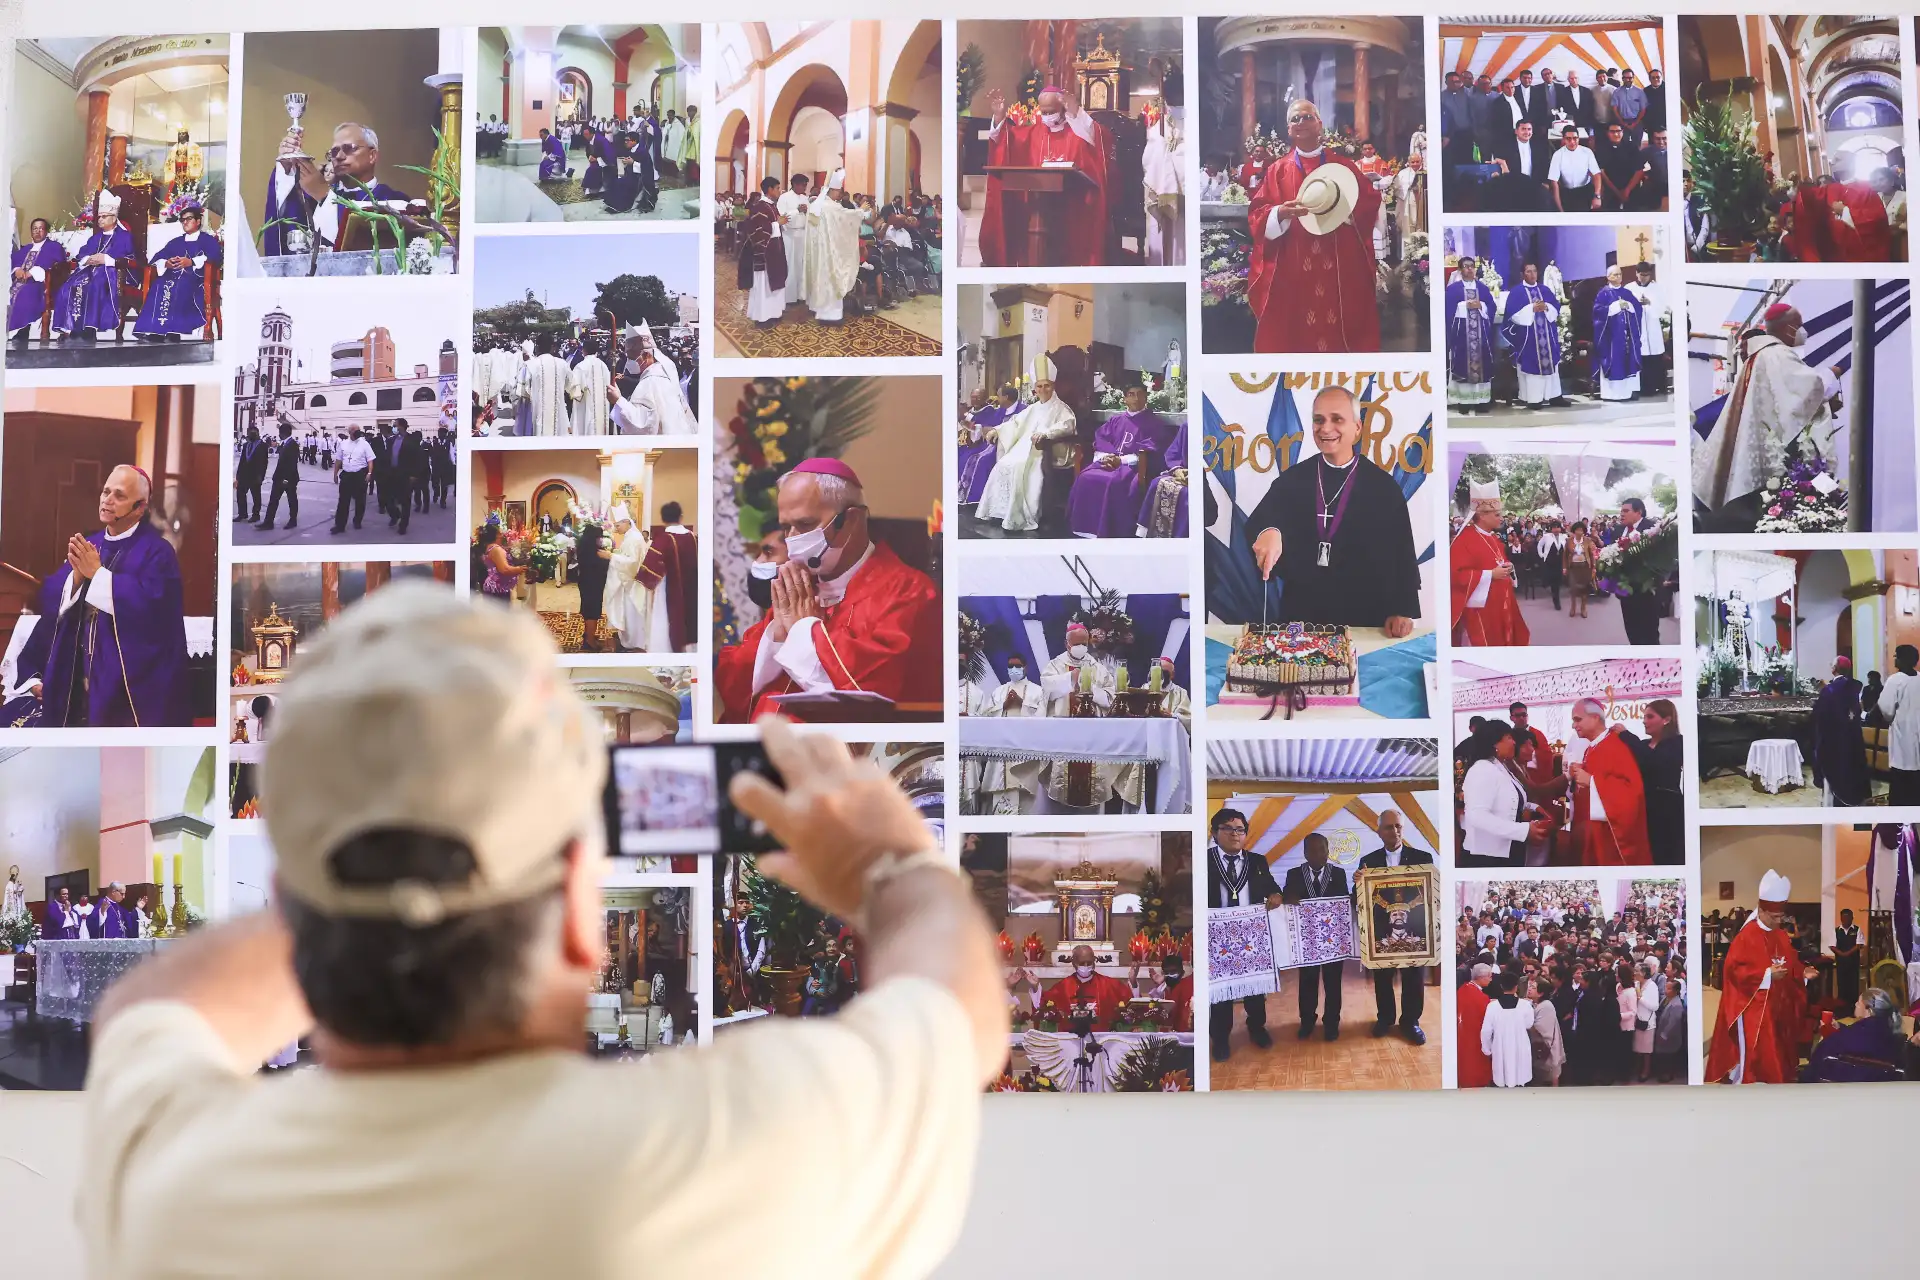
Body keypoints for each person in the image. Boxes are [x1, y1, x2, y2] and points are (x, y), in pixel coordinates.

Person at [77, 584, 1003, 1275]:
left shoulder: (176, 1183)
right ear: (577, 917)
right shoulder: (721, 1156)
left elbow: (153, 1009)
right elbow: (957, 1016)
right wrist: (891, 862)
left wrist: (361, 868)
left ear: (290, 900)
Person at [714, 459, 940, 722]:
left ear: (851, 520)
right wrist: (776, 637)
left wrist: (802, 629)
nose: (793, 539)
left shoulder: (907, 591)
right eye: (786, 527)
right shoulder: (799, 590)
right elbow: (734, 682)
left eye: (805, 524)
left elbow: (871, 688)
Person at [4, 465, 190, 728]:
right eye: (105, 492)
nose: (107, 500)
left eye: (119, 495)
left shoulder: (157, 552)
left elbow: (153, 610)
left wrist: (98, 575)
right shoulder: (91, 545)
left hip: (125, 692)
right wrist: (76, 580)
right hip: (78, 684)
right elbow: (52, 599)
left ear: (140, 508)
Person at [1246, 385, 1420, 635]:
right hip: (1302, 616)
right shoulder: (1293, 480)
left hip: (1366, 616)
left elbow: (1401, 549)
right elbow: (1261, 522)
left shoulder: (1382, 487)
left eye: (1337, 419)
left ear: (1357, 428)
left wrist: (1403, 608)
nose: (1326, 428)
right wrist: (1269, 530)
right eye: (1319, 420)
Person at [1245, 100, 1381, 353]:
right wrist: (1279, 213)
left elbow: (1369, 201)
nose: (1301, 122)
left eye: (1307, 117)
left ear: (1319, 124)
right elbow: (1257, 213)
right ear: (1289, 129)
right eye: (1295, 119)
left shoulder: (1343, 166)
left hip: (1336, 259)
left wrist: (1347, 211)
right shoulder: (1277, 170)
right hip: (1294, 260)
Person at [1694, 302, 1842, 532]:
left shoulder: (1759, 355)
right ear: (1787, 328)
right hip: (1773, 446)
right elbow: (1807, 390)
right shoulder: (1777, 353)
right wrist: (1831, 374)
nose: (1803, 331)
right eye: (1799, 325)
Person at [978, 85, 1109, 267]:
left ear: (1063, 107)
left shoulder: (1078, 129)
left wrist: (1076, 112)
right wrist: (999, 116)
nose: (1047, 116)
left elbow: (1097, 137)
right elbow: (1007, 139)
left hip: (1073, 206)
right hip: (1038, 203)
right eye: (1043, 112)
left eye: (1051, 111)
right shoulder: (1034, 132)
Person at [1707, 870, 1814, 1084]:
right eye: (1774, 917)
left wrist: (1802, 973)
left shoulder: (1780, 934)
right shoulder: (1746, 936)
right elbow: (1734, 971)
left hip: (1777, 1005)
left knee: (1777, 1051)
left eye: (1781, 917)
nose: (1779, 921)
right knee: (1758, 1052)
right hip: (1753, 1008)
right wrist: (1766, 975)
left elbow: (1790, 962)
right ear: (1762, 911)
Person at [263, 122, 412, 257]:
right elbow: (285, 228)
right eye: (334, 151)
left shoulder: (393, 201)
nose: (339, 156)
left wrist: (325, 196)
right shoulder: (311, 199)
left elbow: (371, 254)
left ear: (372, 156)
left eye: (349, 148)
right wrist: (286, 168)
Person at [1206, 808, 1282, 1062]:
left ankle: (1257, 1028)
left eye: (1240, 829)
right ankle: (1220, 1038)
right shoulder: (1203, 860)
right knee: (1221, 991)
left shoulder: (1257, 861)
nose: (1235, 834)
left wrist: (1276, 895)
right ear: (1214, 833)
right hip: (1217, 938)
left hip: (1251, 936)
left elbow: (1272, 887)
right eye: (1228, 828)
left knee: (1254, 988)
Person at [976, 355, 1078, 535]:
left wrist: (1046, 434)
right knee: (1003, 464)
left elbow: (1067, 425)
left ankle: (1018, 514)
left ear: (1053, 386)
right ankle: (1000, 511)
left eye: (1047, 385)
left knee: (1019, 467)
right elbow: (1015, 423)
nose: (1043, 389)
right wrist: (997, 431)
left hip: (1044, 450)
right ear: (1035, 389)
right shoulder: (1033, 408)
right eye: (1039, 386)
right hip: (1023, 448)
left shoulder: (1062, 408)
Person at [1355, 810, 1432, 1045]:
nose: (1395, 831)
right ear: (1379, 831)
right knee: (1382, 977)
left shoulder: (1423, 858)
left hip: (1415, 929)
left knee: (1413, 978)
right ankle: (1385, 1019)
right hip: (1382, 930)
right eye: (1389, 827)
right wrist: (1357, 883)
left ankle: (1411, 1022)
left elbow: (1431, 894)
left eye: (1398, 826)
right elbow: (1358, 899)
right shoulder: (1368, 862)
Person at [1066, 380, 1175, 538]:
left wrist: (1121, 460)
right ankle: (1082, 527)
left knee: (1114, 482)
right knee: (1085, 477)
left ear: (1146, 397)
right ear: (1125, 399)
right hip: (1109, 462)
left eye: (1140, 394)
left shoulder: (1154, 423)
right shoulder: (1116, 420)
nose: (1136, 398)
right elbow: (1101, 439)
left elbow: (1152, 448)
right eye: (1131, 394)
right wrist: (1107, 457)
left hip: (1133, 467)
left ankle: (1110, 530)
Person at [1281, 833, 1348, 1041]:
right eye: (1312, 850)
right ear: (1304, 853)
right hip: (1307, 941)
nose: (1317, 854)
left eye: (1322, 849)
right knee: (1307, 982)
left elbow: (1344, 901)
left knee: (1333, 983)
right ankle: (1307, 1021)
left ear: (1328, 852)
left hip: (1332, 941)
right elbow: (1286, 896)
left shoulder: (1338, 873)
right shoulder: (1294, 874)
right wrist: (1289, 897)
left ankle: (1332, 1023)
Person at [1567, 698, 1651, 865]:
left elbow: (1632, 791)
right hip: (1592, 829)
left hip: (1609, 836)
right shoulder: (1592, 746)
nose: (1574, 725)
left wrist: (1591, 781)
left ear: (1595, 718)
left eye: (1578, 719)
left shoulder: (1616, 746)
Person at [1461, 721, 1552, 868]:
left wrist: (1533, 807)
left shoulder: (1500, 766)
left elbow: (1507, 798)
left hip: (1507, 849)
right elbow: (1477, 816)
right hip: (1488, 856)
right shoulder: (1482, 769)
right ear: (1495, 743)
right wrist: (1523, 830)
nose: (1514, 742)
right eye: (1509, 737)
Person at [1449, 481, 1529, 646]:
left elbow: (1499, 560)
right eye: (1497, 515)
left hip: (1502, 601)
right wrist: (1490, 575)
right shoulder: (1464, 540)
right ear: (1482, 515)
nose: (1501, 518)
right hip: (1481, 608)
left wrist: (1509, 567)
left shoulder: (1493, 537)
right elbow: (1456, 575)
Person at [131, 199, 220, 342]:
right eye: (182, 220)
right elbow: (157, 258)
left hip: (195, 280)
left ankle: (173, 332)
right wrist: (166, 263)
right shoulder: (175, 242)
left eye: (189, 219)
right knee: (159, 284)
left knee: (180, 286)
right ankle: (155, 331)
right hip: (171, 276)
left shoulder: (207, 240)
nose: (185, 222)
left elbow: (215, 257)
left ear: (198, 221)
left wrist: (191, 262)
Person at [52, 190, 132, 341]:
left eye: (104, 217)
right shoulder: (95, 238)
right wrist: (88, 259)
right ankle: (73, 326)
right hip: (89, 271)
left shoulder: (125, 236)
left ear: (114, 217)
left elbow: (129, 258)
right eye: (99, 217)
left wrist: (106, 259)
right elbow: (82, 254)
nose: (100, 220)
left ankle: (90, 328)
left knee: (97, 283)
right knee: (68, 286)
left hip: (110, 272)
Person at [1500, 262, 1567, 408]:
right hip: (1528, 339)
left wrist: (1547, 307)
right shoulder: (1517, 292)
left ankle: (1555, 396)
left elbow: (1555, 308)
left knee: (1552, 365)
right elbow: (1512, 316)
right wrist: (1532, 308)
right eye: (1528, 271)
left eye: (1534, 271)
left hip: (1547, 337)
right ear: (1522, 274)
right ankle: (1534, 399)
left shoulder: (1545, 289)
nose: (1532, 274)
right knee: (1532, 366)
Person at [802, 171, 866, 323]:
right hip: (829, 251)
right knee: (831, 281)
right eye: (839, 190)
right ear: (833, 190)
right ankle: (830, 316)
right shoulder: (830, 206)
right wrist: (861, 210)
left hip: (818, 252)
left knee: (820, 280)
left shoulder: (816, 204)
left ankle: (819, 310)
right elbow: (846, 218)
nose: (840, 194)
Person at [1629, 698, 1686, 865]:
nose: (1644, 721)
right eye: (1644, 717)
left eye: (1650, 717)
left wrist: (1627, 736)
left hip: (1668, 810)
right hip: (1644, 807)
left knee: (1666, 854)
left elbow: (1656, 761)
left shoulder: (1677, 742)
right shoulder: (1643, 744)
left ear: (1666, 719)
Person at [1036, 945, 1136, 1033]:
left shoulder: (1109, 985)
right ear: (1074, 963)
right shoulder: (1062, 987)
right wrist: (1035, 987)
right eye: (1082, 963)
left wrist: (1133, 982)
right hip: (1071, 1040)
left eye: (1089, 963)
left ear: (1094, 962)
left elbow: (1132, 1003)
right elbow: (1043, 1005)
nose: (1086, 966)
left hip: (1102, 1040)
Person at [1811, 657, 1869, 806]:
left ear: (1834, 669)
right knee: (1851, 767)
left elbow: (1820, 715)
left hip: (1834, 741)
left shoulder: (1829, 690)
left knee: (1834, 772)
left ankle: (1832, 805)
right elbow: (1856, 710)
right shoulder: (1854, 687)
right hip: (1852, 738)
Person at [1445, 256, 1496, 413]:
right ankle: (1464, 401)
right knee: (1462, 365)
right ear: (1460, 270)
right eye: (1466, 266)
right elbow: (1447, 311)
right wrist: (1463, 306)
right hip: (1462, 336)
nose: (1469, 269)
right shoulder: (1453, 289)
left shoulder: (1483, 288)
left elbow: (1492, 307)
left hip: (1481, 336)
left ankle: (1482, 401)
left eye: (1472, 266)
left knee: (1482, 365)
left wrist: (1482, 306)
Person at [737, 176, 788, 325]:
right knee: (764, 285)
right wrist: (777, 223)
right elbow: (758, 231)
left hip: (775, 251)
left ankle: (774, 312)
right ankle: (762, 317)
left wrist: (780, 223)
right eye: (777, 188)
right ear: (770, 189)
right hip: (765, 253)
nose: (779, 191)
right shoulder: (760, 207)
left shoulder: (772, 206)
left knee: (775, 283)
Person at [7, 216, 68, 342]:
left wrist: (32, 272)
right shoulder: (25, 249)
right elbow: (13, 263)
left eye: (41, 228)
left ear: (46, 231)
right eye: (35, 228)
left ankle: (21, 330)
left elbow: (58, 266)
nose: (37, 231)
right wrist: (17, 270)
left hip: (41, 284)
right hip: (17, 282)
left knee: (25, 292)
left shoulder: (54, 247)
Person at [1615, 498, 1665, 646]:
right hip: (1625, 592)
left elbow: (1663, 558)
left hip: (1647, 593)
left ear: (1639, 512)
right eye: (1621, 511)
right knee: (1632, 631)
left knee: (1649, 635)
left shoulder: (1653, 529)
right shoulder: (1618, 530)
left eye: (1626, 511)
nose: (1622, 514)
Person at [1591, 264, 1643, 401]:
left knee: (1628, 360)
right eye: (1615, 274)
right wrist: (1614, 307)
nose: (1618, 277)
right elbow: (1597, 312)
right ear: (1608, 277)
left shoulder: (1627, 293)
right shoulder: (1603, 293)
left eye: (1620, 274)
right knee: (1614, 361)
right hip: (1611, 338)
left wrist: (1629, 306)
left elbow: (1638, 309)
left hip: (1627, 336)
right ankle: (1612, 394)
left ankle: (1628, 392)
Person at [957, 386, 1012, 507]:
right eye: (973, 397)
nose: (975, 400)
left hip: (983, 443)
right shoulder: (969, 410)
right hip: (966, 442)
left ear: (984, 398)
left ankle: (971, 495)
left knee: (970, 459)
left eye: (978, 397)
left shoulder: (990, 411)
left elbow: (989, 427)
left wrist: (971, 425)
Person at [1879, 645, 1920, 805]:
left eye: (1896, 656)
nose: (1894, 659)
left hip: (1902, 735)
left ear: (1904, 659)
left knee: (1901, 778)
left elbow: (1886, 708)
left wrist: (1890, 717)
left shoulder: (1895, 680)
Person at [1480, 973, 1533, 1087]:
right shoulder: (1525, 1005)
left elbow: (1486, 1031)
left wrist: (1487, 1049)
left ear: (1501, 986)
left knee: (1502, 1079)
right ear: (1516, 987)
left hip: (1500, 1046)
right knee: (1520, 1076)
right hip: (1520, 1045)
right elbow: (1529, 1024)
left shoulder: (1492, 1006)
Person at [572, 516, 609, 652]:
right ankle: (590, 641)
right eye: (599, 537)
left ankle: (588, 634)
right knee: (592, 612)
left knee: (587, 610)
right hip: (592, 585)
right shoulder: (593, 553)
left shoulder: (585, 548)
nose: (600, 540)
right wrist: (608, 559)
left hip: (586, 583)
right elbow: (600, 567)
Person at [329, 425, 375, 534]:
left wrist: (369, 473)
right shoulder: (343, 444)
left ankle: (357, 520)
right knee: (343, 501)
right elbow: (338, 460)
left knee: (360, 500)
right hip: (346, 475)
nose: (357, 432)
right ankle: (340, 525)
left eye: (358, 430)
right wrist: (335, 474)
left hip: (360, 475)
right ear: (350, 432)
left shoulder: (364, 444)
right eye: (355, 430)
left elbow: (370, 460)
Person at [776, 174, 812, 308]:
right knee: (790, 264)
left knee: (802, 264)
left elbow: (811, 216)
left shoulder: (805, 198)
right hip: (789, 234)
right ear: (795, 184)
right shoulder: (784, 198)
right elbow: (782, 216)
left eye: (806, 185)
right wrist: (797, 210)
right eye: (803, 185)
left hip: (803, 233)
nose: (805, 188)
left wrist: (807, 212)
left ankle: (801, 294)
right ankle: (789, 296)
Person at [1457, 962, 1494, 1087]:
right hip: (1475, 1037)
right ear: (1482, 977)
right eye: (1490, 976)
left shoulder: (1463, 989)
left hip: (1462, 1034)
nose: (1491, 979)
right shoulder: (1481, 998)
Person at [565, 340, 612, 436]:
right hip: (601, 409)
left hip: (584, 407)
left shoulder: (580, 367)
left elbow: (574, 390)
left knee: (585, 427)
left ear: (584, 350)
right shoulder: (604, 366)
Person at [234, 426, 270, 524]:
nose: (251, 435)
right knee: (240, 493)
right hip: (244, 474)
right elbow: (242, 460)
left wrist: (261, 476)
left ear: (257, 433)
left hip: (255, 475)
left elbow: (264, 462)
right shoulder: (246, 445)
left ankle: (256, 515)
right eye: (250, 433)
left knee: (256, 496)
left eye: (254, 433)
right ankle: (242, 513)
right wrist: (238, 475)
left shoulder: (263, 446)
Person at [1563, 520, 1596, 618]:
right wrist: (1564, 567)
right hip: (1573, 568)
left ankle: (1583, 608)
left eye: (1581, 530)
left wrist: (1594, 567)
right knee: (1573, 588)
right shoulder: (1569, 541)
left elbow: (1592, 555)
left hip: (1585, 568)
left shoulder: (1587, 540)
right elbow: (1565, 555)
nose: (1579, 532)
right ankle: (1573, 607)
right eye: (1577, 530)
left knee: (1584, 589)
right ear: (1574, 531)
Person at [1833, 908, 1863, 1010]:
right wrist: (1841, 954)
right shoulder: (1836, 931)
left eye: (1847, 918)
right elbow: (1832, 945)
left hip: (1853, 963)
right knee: (1841, 985)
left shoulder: (1857, 930)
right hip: (1841, 963)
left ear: (1852, 918)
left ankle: (1853, 1008)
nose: (1845, 920)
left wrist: (1847, 953)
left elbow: (1859, 945)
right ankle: (1841, 1008)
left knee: (1853, 985)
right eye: (1843, 918)